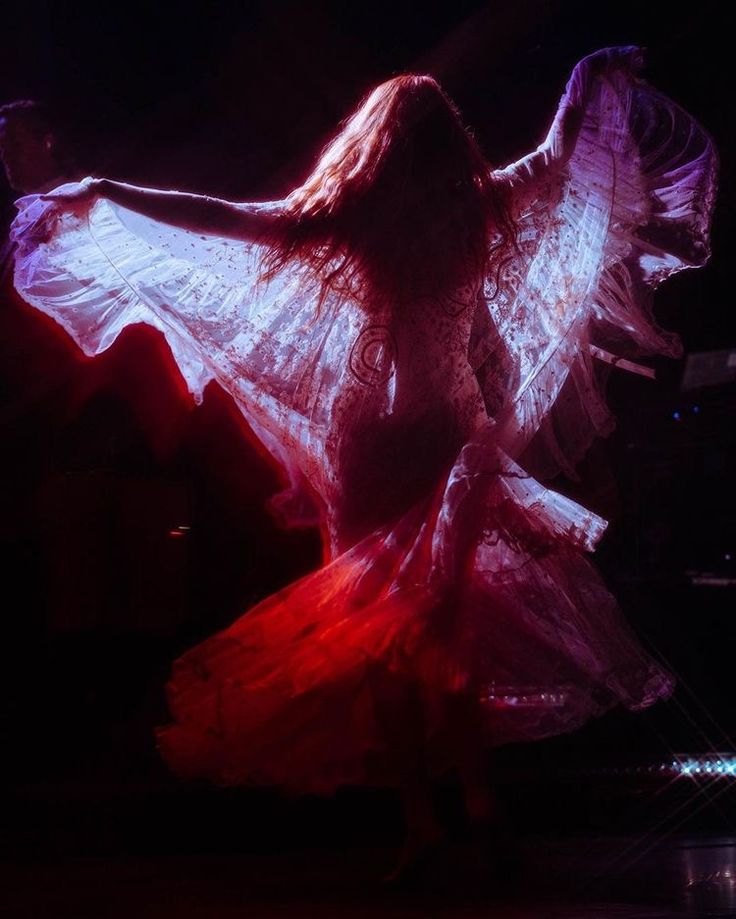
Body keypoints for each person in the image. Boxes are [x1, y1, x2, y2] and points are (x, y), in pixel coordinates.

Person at [10, 46, 718, 877]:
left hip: (370, 445)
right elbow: (566, 157)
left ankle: (420, 823)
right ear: (447, 142)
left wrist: (105, 192)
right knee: (438, 633)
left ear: (373, 145)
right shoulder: (481, 208)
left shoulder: (345, 221)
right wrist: (590, 78)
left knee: (381, 641)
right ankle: (480, 809)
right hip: (448, 438)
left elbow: (215, 216)